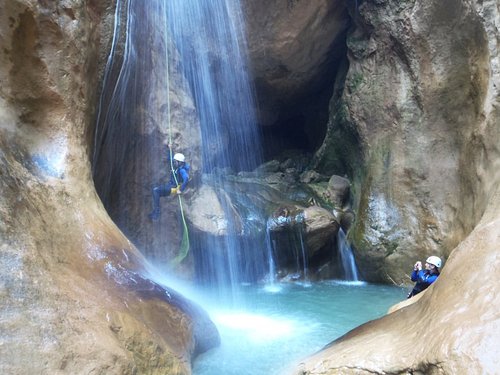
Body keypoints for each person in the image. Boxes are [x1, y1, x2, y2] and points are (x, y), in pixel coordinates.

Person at [148, 151, 190, 221]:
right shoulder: (176, 165)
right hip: (170, 185)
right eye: (174, 161)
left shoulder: (182, 170)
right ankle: (156, 212)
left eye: (175, 162)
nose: (174, 163)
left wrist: (181, 190)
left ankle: (157, 213)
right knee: (156, 191)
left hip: (174, 188)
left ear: (180, 162)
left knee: (156, 191)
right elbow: (170, 158)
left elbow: (186, 178)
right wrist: (169, 149)